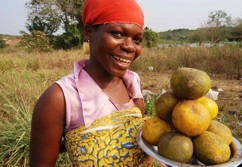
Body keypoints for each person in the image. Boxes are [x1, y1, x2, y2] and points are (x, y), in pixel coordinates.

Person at [29, 0, 153, 166]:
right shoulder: (59, 98)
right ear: (89, 33)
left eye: (137, 40)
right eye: (117, 34)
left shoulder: (133, 82)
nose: (130, 47)